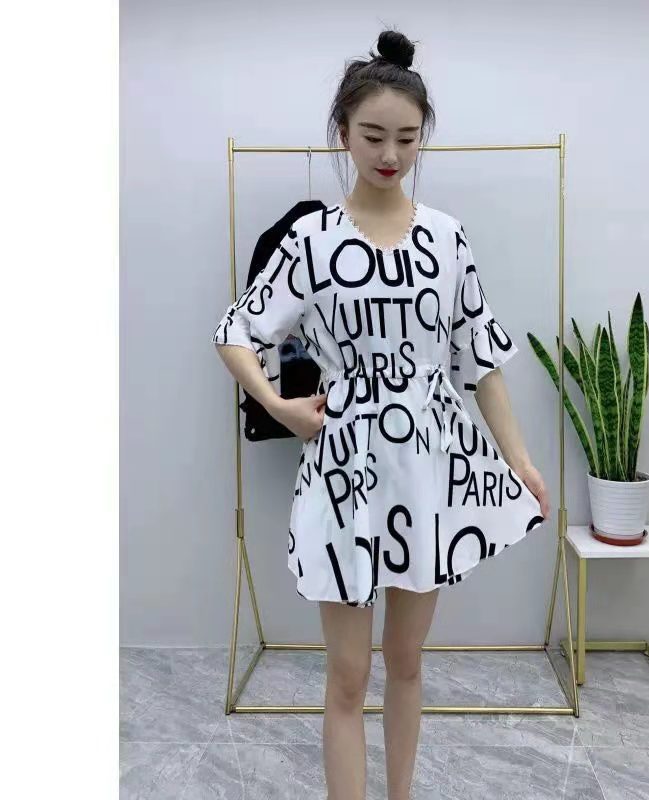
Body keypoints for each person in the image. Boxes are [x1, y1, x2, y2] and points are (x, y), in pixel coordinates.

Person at [212, 28, 551, 800]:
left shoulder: (447, 238)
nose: (390, 153)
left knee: (405, 661)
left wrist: (521, 461)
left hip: (428, 473)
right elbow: (236, 331)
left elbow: (481, 362)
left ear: (423, 135)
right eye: (373, 136)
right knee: (346, 673)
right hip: (344, 473)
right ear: (342, 133)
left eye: (406, 137)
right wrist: (279, 405)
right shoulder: (311, 241)